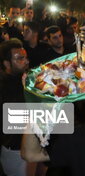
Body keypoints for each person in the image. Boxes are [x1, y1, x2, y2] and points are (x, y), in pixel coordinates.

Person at [0, 39, 34, 176]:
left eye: (25, 57)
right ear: (6, 63)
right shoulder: (3, 87)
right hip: (15, 149)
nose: (26, 61)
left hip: (33, 142)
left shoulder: (26, 77)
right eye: (20, 58)